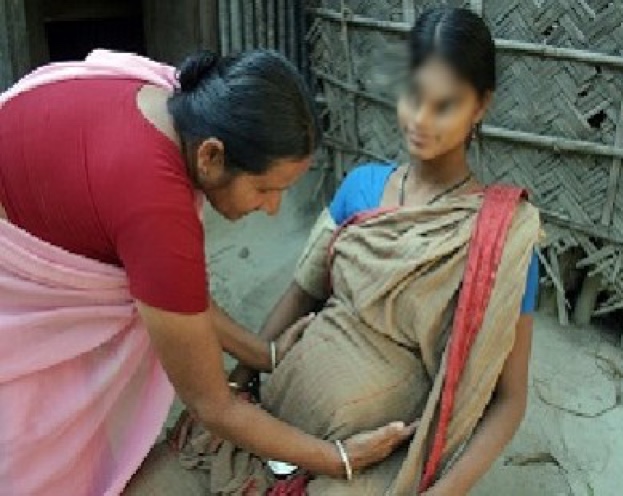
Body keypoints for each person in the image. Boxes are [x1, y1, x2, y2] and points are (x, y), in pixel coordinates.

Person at [0, 49, 414, 495]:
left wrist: (265, 355)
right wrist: (338, 457)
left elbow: (180, 296)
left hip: (38, 188)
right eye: (265, 189)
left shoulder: (172, 103)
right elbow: (211, 404)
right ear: (211, 156)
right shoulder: (157, 210)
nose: (272, 208)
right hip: (20, 270)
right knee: (37, 442)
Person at [175, 7, 542, 495]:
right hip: (276, 420)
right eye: (413, 95)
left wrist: (442, 491)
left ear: (481, 106)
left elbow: (509, 401)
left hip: (376, 457)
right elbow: (301, 294)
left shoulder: (502, 240)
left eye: (445, 105)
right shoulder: (362, 187)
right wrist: (240, 385)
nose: (420, 119)